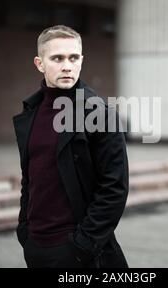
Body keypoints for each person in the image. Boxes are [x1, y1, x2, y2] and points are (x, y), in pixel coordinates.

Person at [12, 25, 129, 268]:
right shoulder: (30, 114)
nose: (67, 65)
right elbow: (30, 178)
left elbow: (114, 187)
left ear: (81, 61)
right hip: (36, 246)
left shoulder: (98, 113)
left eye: (73, 58)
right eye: (57, 58)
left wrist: (83, 245)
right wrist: (25, 230)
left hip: (77, 250)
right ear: (39, 63)